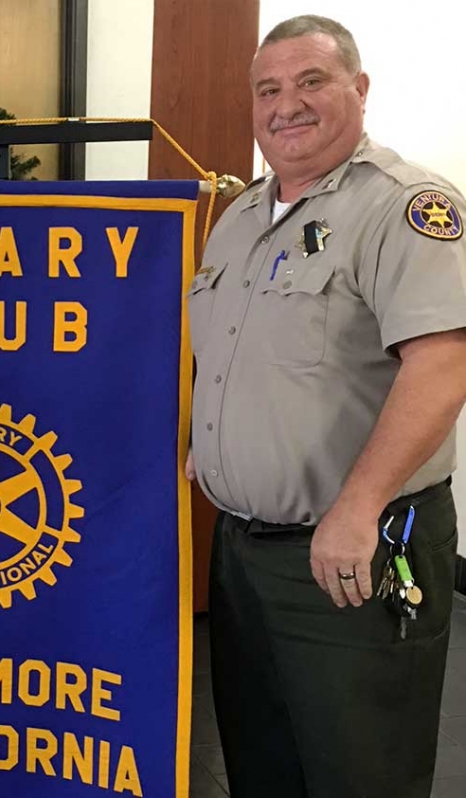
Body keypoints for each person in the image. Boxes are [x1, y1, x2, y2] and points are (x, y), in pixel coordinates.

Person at [186, 15, 466, 798]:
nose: (287, 106)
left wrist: (360, 507)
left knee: (359, 769)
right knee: (263, 761)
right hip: (242, 553)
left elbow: (443, 365)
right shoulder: (241, 216)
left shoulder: (404, 207)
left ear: (359, 88)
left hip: (350, 551)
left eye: (311, 82)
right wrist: (212, 438)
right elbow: (240, 351)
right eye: (268, 89)